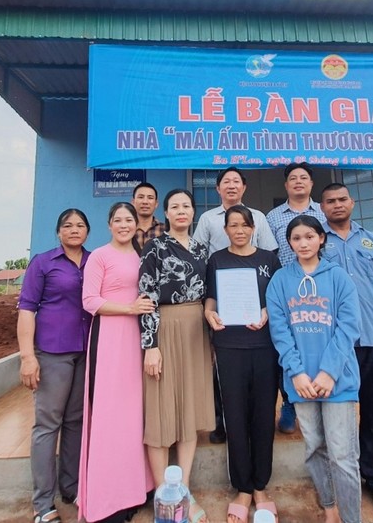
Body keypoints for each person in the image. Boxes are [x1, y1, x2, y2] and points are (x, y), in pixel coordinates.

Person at [266, 215, 362, 523]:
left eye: (309, 236)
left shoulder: (339, 277)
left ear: (321, 238)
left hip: (338, 381)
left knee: (343, 455)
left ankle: (351, 518)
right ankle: (330, 508)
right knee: (314, 448)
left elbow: (349, 327)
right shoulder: (280, 281)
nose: (303, 243)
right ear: (289, 243)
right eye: (296, 238)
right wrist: (296, 372)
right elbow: (280, 331)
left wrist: (329, 372)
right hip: (301, 381)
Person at [320, 183, 373, 523]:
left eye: (342, 199)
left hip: (372, 339)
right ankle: (337, 481)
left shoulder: (372, 242)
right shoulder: (317, 241)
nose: (337, 205)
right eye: (330, 201)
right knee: (334, 415)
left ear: (352, 203)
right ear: (322, 207)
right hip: (333, 343)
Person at [139, 189, 214, 523]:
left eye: (186, 205)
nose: (181, 210)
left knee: (189, 409)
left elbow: (210, 294)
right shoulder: (154, 247)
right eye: (174, 206)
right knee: (160, 408)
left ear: (193, 212)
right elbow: (146, 297)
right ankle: (163, 495)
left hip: (197, 329)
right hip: (165, 329)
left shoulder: (202, 249)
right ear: (166, 213)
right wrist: (150, 345)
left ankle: (184, 490)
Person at [79, 202, 155, 523]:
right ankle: (107, 498)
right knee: (109, 417)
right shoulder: (99, 256)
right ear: (109, 224)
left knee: (134, 415)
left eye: (129, 220)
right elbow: (89, 300)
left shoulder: (142, 256)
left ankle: (136, 489)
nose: (124, 225)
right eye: (118, 220)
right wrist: (129, 309)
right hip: (110, 339)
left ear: (137, 224)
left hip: (137, 340)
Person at [204, 206, 281, 523]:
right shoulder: (216, 260)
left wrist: (267, 312)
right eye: (233, 225)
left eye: (244, 225)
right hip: (229, 345)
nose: (239, 230)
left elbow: (277, 299)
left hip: (264, 346)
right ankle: (243, 488)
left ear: (253, 228)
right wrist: (209, 313)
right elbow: (211, 298)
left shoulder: (268, 260)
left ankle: (260, 486)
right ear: (225, 230)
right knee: (234, 417)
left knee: (263, 415)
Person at [193, 166, 278, 444]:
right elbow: (199, 255)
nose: (231, 185)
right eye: (226, 182)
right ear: (218, 188)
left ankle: (253, 424)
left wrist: (265, 306)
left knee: (258, 376)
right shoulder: (208, 219)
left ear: (244, 187)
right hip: (221, 300)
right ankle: (221, 421)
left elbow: (268, 257)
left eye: (236, 181)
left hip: (254, 306)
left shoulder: (259, 218)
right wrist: (208, 305)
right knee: (222, 368)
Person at [18, 208, 92, 523]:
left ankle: (71, 489)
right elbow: (27, 308)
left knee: (76, 421)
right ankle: (43, 503)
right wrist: (27, 356)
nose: (74, 229)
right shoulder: (43, 263)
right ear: (58, 231)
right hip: (52, 352)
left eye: (80, 225)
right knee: (48, 424)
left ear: (88, 231)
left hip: (86, 351)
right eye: (68, 225)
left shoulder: (94, 261)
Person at [266, 162, 325, 434]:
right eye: (293, 178)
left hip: (321, 291)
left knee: (318, 344)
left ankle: (323, 398)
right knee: (287, 346)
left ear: (311, 184)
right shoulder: (273, 217)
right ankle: (289, 402)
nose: (298, 181)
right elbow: (269, 255)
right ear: (286, 185)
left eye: (303, 177)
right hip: (286, 290)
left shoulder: (323, 213)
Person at [132, 182, 165, 252]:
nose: (145, 202)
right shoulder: (127, 229)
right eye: (141, 197)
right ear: (133, 202)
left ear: (156, 204)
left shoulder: (166, 230)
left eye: (150, 198)